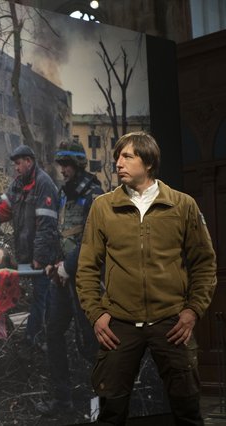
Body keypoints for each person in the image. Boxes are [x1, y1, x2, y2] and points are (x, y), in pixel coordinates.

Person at [76, 131, 217, 425]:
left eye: (127, 156)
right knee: (111, 412)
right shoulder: (103, 206)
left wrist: (193, 311)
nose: (118, 163)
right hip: (120, 323)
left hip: (172, 321)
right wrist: (97, 314)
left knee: (188, 410)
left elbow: (204, 263)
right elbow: (87, 266)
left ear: (149, 162)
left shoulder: (182, 205)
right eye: (117, 157)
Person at [35, 139, 104, 415]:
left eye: (66, 165)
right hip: (62, 278)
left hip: (87, 280)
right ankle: (62, 400)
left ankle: (103, 405)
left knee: (91, 344)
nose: (62, 169)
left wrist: (68, 267)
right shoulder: (64, 194)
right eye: (60, 164)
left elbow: (92, 241)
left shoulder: (95, 195)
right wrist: (54, 264)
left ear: (77, 164)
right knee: (53, 332)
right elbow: (58, 230)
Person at [0, 144, 59, 346]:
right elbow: (2, 206)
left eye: (19, 164)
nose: (16, 168)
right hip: (25, 251)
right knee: (40, 296)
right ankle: (41, 330)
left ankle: (34, 339)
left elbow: (46, 228)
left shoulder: (44, 185)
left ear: (29, 162)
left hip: (43, 254)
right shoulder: (19, 184)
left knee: (41, 296)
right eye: (15, 165)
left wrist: (39, 258)